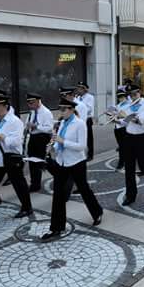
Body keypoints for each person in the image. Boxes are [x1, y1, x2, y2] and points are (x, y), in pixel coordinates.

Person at [41, 98, 103, 241]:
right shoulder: (62, 123)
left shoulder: (80, 124)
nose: (60, 112)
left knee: (84, 189)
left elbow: (81, 146)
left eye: (63, 109)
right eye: (60, 109)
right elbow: (58, 142)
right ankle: (56, 228)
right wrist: (52, 148)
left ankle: (97, 212)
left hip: (77, 162)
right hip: (62, 162)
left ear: (71, 109)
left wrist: (63, 142)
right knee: (58, 195)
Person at [0, 91, 33, 226]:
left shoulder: (15, 121)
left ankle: (27, 207)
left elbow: (16, 142)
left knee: (19, 184)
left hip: (11, 158)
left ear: (5, 106)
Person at [24, 92, 54, 192]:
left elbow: (49, 128)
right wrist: (27, 127)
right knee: (32, 161)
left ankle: (60, 176)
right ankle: (35, 184)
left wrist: (36, 126)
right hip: (33, 138)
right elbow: (29, 123)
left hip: (42, 138)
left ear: (37, 101)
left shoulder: (46, 112)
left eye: (31, 103)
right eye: (28, 103)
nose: (30, 105)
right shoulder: (32, 111)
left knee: (45, 161)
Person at [75, 82, 95, 161]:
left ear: (85, 89)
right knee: (80, 136)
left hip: (87, 119)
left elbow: (89, 109)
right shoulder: (77, 97)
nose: (78, 90)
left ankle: (90, 154)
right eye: (78, 88)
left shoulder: (90, 97)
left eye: (80, 88)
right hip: (79, 118)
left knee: (89, 138)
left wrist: (80, 106)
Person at [113, 86, 130, 171]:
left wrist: (120, 116)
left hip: (124, 128)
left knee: (123, 147)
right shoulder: (118, 105)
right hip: (117, 127)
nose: (121, 98)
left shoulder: (129, 105)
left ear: (125, 96)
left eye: (122, 96)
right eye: (119, 97)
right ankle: (124, 161)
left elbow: (128, 118)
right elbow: (115, 115)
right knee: (121, 146)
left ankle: (121, 163)